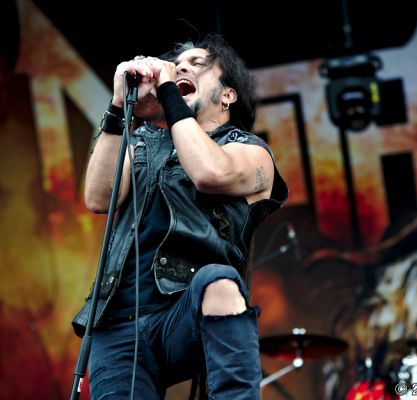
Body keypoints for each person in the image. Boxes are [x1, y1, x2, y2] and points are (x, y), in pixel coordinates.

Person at [72, 34, 288, 399]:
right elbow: (98, 198)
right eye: (177, 65)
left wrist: (169, 90)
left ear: (228, 95)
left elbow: (209, 173)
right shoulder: (143, 142)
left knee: (218, 281)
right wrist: (118, 105)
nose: (181, 67)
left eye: (197, 64)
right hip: (117, 319)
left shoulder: (250, 151)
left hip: (187, 308)